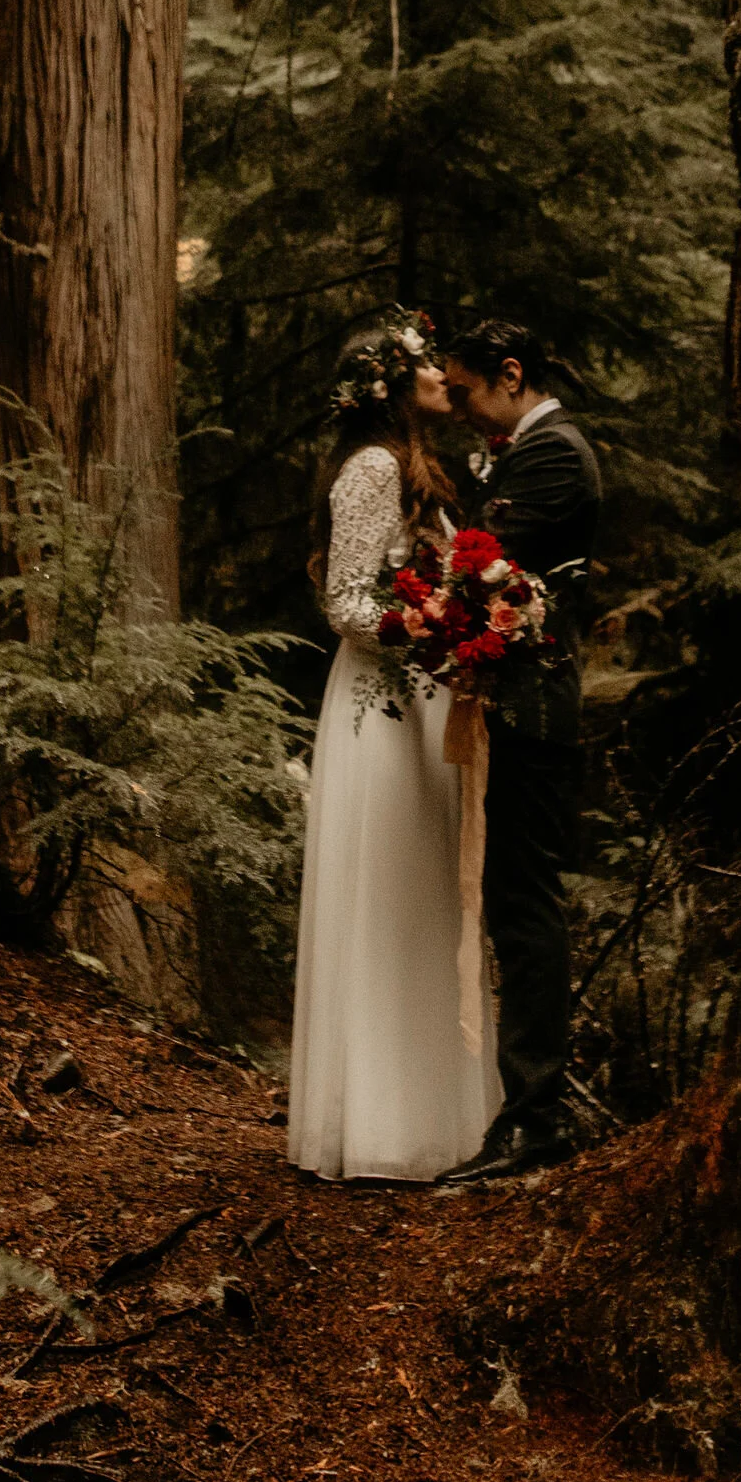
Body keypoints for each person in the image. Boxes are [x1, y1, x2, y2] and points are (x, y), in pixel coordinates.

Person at [285, 308, 499, 1184]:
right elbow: (345, 602)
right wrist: (429, 628)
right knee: (391, 891)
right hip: (384, 705)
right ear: (387, 385)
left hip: (422, 698)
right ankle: (378, 1123)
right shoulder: (372, 468)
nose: (443, 377)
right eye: (423, 368)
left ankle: (438, 1119)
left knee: (424, 892)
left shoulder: (415, 470)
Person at [436, 317, 601, 1185]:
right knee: (511, 903)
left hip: (535, 708)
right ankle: (529, 1109)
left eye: (463, 391)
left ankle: (538, 1116)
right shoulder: (529, 451)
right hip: (515, 703)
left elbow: (480, 567)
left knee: (525, 907)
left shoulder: (556, 454)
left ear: (509, 374)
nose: (459, 409)